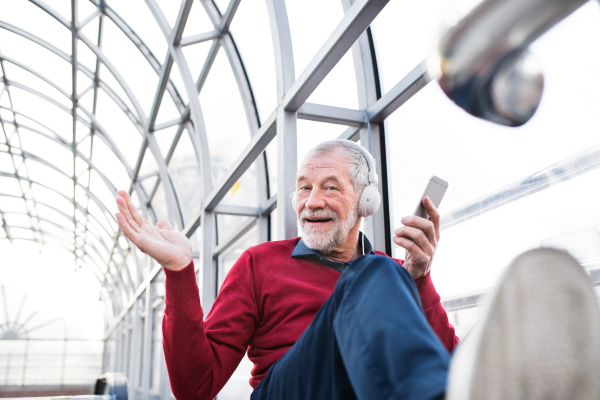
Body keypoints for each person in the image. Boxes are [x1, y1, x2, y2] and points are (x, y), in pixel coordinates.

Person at [116, 139, 600, 399]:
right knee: (371, 273)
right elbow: (194, 389)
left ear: (366, 201)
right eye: (303, 187)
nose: (312, 201)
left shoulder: (392, 275)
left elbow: (444, 359)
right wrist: (180, 270)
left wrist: (418, 277)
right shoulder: (260, 264)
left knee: (382, 273)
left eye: (330, 186)